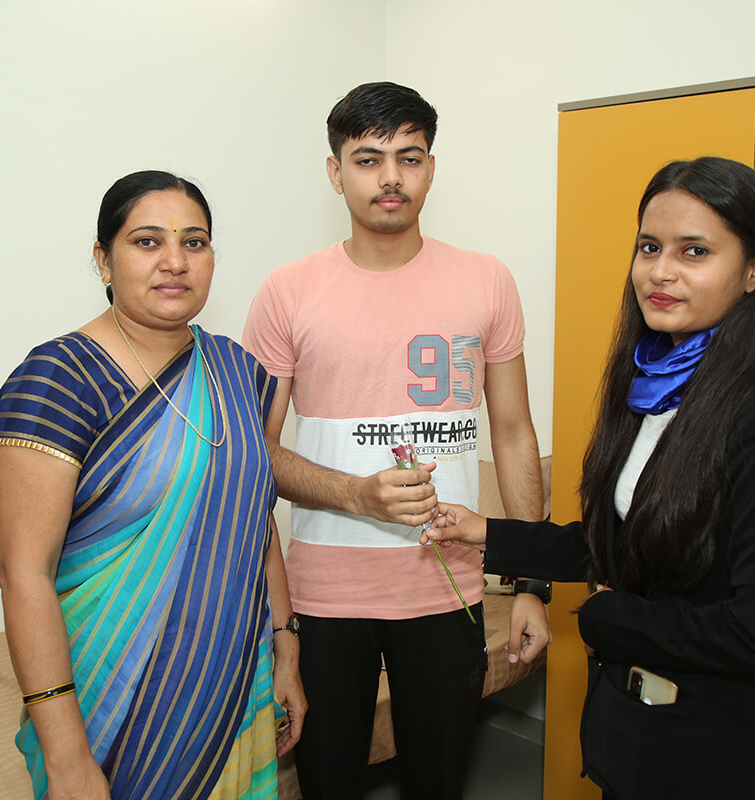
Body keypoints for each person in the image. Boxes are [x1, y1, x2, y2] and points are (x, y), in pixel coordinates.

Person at [423, 156, 755, 800]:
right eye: (649, 247)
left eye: (695, 251)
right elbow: (622, 544)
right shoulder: (654, 386)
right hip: (632, 738)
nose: (660, 272)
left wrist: (609, 619)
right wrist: (484, 531)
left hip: (712, 755)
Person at [241, 82, 545, 800]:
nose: (390, 178)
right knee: (328, 784)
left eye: (409, 158)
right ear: (335, 172)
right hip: (324, 599)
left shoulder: (487, 281)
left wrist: (532, 583)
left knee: (440, 783)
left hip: (447, 589)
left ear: (431, 168)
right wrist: (357, 495)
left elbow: (513, 433)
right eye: (368, 159)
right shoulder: (287, 292)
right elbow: (254, 454)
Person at [0, 171, 307, 800]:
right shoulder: (58, 378)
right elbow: (23, 574)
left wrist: (286, 646)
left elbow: (251, 515)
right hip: (105, 696)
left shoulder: (237, 370)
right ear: (103, 259)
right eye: (146, 241)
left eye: (194, 242)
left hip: (234, 681)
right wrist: (67, 759)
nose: (175, 262)